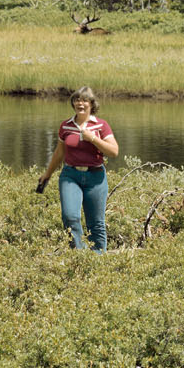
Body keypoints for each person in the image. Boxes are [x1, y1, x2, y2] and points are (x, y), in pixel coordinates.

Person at [36, 87, 120, 251]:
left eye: (85, 100)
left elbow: (114, 151)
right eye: (77, 100)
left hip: (95, 177)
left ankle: (97, 261)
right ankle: (79, 256)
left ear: (91, 104)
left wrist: (93, 138)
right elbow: (59, 153)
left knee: (96, 223)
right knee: (70, 216)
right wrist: (47, 174)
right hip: (70, 176)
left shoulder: (101, 125)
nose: (80, 103)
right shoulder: (66, 126)